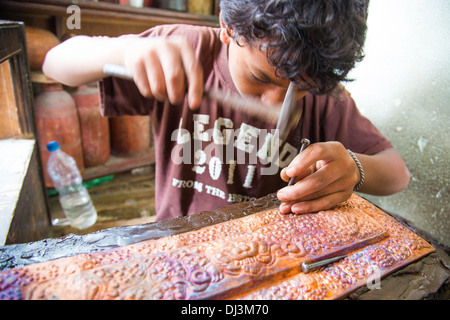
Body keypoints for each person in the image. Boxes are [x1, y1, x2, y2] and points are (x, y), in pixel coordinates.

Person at [43, 0, 410, 222]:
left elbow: (397, 173)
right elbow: (55, 63)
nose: (275, 105)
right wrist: (118, 53)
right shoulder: (184, 52)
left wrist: (355, 169)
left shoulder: (325, 94)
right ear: (227, 28)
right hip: (179, 244)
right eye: (260, 78)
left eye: (301, 90)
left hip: (274, 250)